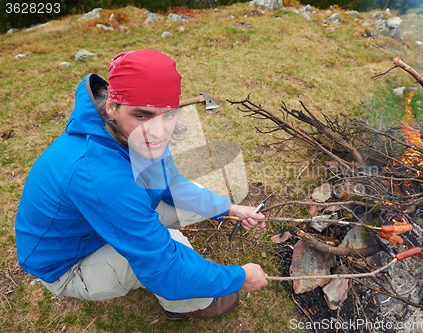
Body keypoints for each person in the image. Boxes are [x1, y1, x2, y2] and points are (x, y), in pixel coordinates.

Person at [15, 49, 269, 320]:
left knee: (190, 201)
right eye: (142, 115)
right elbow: (164, 265)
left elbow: (171, 183)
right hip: (67, 264)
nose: (158, 132)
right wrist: (238, 277)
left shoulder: (134, 134)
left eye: (168, 115)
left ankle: (173, 241)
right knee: (173, 245)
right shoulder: (98, 174)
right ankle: (188, 304)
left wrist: (227, 208)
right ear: (112, 107)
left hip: (95, 224)